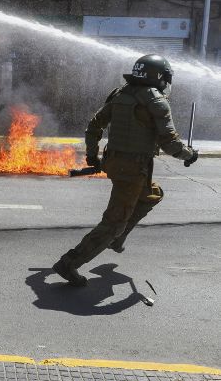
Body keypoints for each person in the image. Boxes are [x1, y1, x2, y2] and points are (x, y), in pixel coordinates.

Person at [52, 54, 199, 287]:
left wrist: (93, 155)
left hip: (118, 163)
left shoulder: (121, 94)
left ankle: (117, 239)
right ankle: (69, 263)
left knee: (152, 195)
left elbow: (94, 125)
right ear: (159, 77)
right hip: (133, 170)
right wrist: (190, 154)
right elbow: (170, 143)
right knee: (114, 222)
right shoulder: (157, 102)